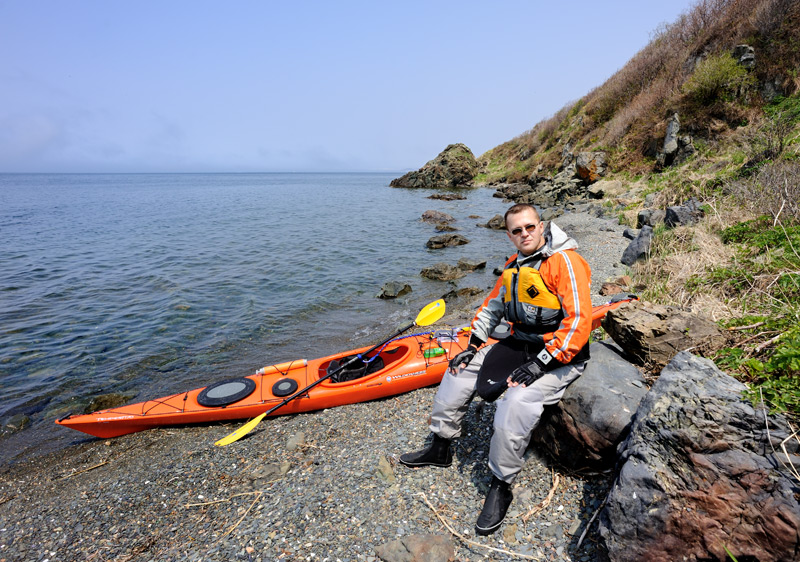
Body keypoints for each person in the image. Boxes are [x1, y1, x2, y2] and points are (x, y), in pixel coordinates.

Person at [399, 203, 593, 536]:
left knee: (515, 402)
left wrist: (541, 363)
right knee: (458, 370)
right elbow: (490, 310)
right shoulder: (513, 268)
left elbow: (578, 322)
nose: (525, 235)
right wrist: (473, 346)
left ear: (541, 225)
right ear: (509, 236)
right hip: (520, 344)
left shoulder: (565, 262)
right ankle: (441, 445)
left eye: (530, 227)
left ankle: (501, 483)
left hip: (559, 355)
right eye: (517, 231)